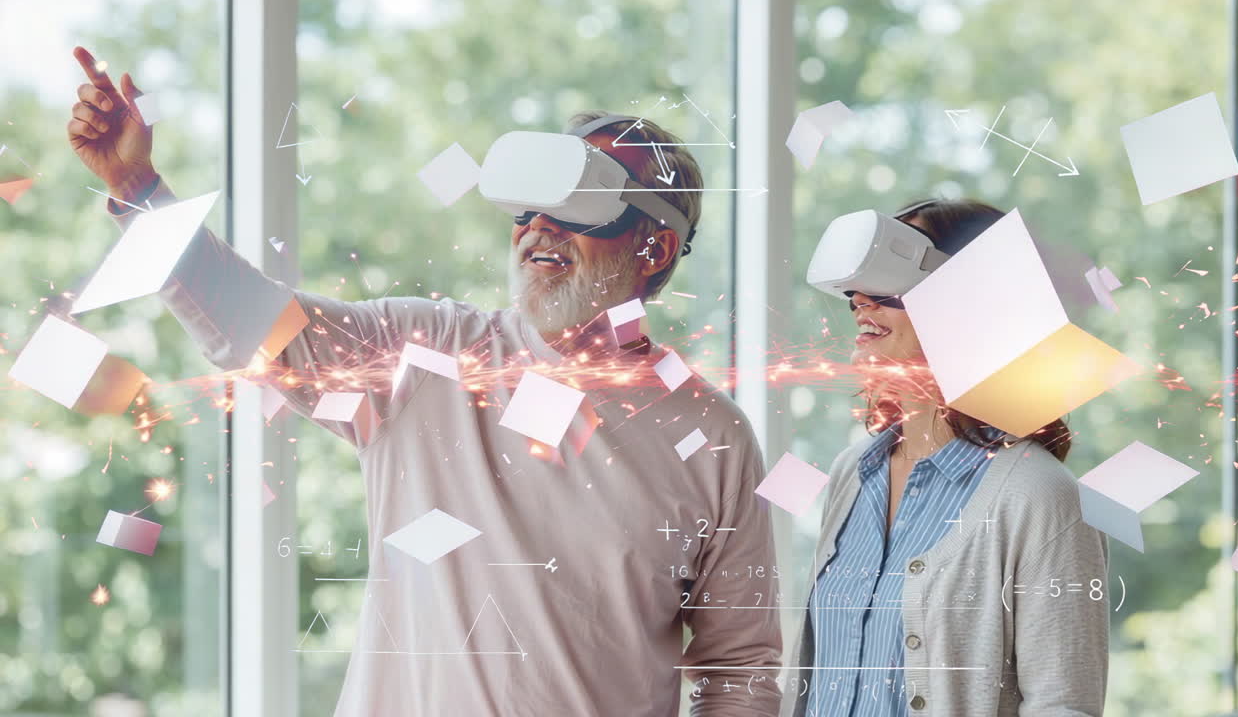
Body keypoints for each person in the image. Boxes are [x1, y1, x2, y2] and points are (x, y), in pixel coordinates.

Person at [67, 46, 782, 716]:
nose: (536, 229)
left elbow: (740, 669)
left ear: (653, 246)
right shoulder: (431, 354)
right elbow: (251, 323)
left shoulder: (712, 435)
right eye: (526, 209)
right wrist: (139, 192)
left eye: (572, 209)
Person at [782, 199, 1109, 716]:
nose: (861, 300)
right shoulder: (854, 472)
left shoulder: (1039, 497)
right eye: (855, 290)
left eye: (888, 282)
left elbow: (1063, 704)